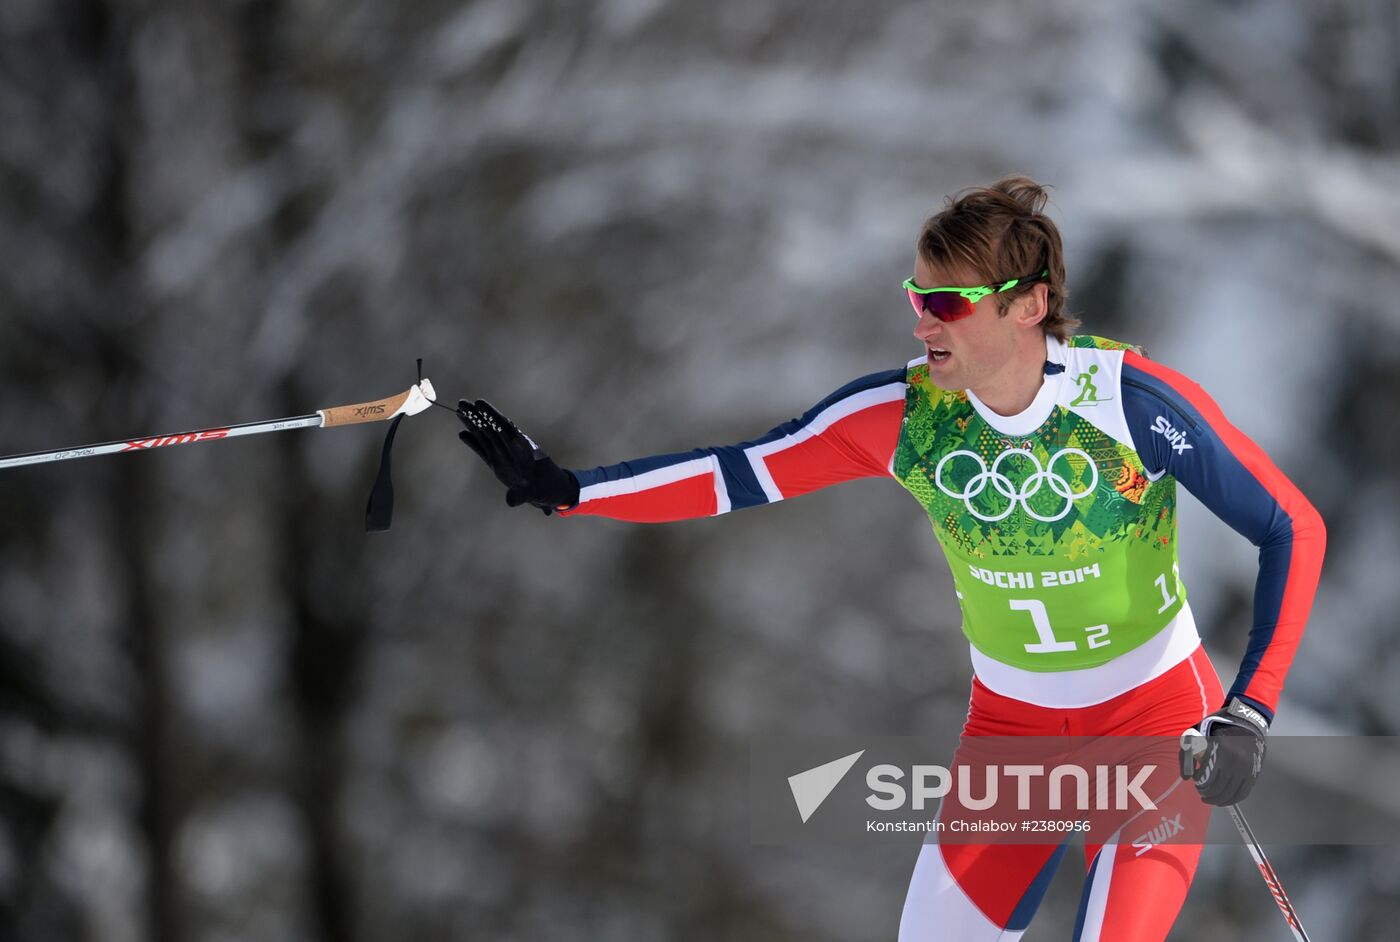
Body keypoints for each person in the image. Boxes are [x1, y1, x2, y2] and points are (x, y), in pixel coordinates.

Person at [455, 177, 1326, 940]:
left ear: (1026, 305)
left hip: (1152, 726)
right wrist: (571, 489)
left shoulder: (1128, 403)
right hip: (1012, 737)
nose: (923, 321)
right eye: (918, 295)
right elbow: (740, 473)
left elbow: (1293, 527)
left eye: (949, 303)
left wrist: (1248, 710)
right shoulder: (904, 416)